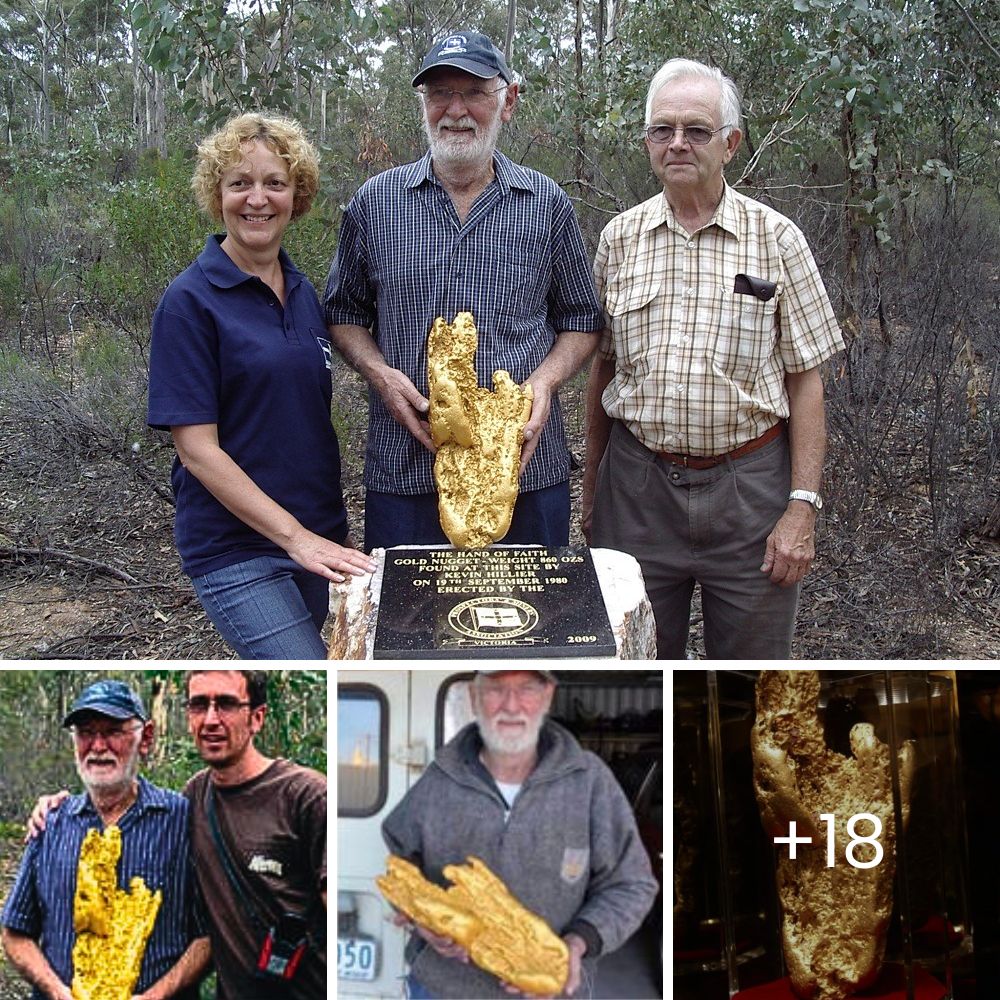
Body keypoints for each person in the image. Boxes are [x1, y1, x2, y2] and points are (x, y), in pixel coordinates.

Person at [583, 58, 846, 659]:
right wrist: (594, 488)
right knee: (636, 666)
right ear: (647, 141)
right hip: (638, 488)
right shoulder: (617, 239)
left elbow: (807, 383)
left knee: (751, 679)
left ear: (730, 142)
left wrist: (801, 508)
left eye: (696, 130)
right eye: (662, 129)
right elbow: (603, 371)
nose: (677, 143)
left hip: (749, 493)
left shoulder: (777, 240)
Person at [324, 30, 603, 550]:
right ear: (424, 104)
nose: (456, 110)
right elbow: (343, 313)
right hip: (407, 474)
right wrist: (380, 374)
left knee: (529, 629)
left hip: (524, 469)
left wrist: (543, 384)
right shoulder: (375, 204)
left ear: (509, 101)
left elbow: (582, 321)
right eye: (439, 94)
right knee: (410, 630)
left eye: (474, 92)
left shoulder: (546, 204)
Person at [147, 113, 376, 659]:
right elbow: (197, 451)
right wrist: (296, 537)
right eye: (239, 183)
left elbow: (300, 423)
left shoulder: (301, 292)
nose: (257, 199)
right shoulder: (190, 302)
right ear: (216, 193)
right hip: (239, 551)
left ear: (296, 196)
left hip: (317, 540)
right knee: (315, 684)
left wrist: (323, 536)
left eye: (275, 183)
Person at [26, 671, 328, 1000]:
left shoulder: (305, 796)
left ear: (256, 718)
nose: (211, 719)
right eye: (199, 705)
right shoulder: (194, 799)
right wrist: (56, 807)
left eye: (226, 704)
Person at [381, 669, 658, 999]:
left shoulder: (589, 782)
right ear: (474, 696)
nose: (511, 706)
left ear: (548, 695)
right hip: (443, 988)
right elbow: (400, 865)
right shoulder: (441, 778)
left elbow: (632, 884)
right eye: (496, 689)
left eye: (526, 688)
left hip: (549, 989)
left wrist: (577, 942)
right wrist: (419, 917)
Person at [2, 680, 210, 1000]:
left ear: (146, 738)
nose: (98, 747)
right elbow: (15, 931)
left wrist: (156, 995)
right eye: (85, 733)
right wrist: (57, 991)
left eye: (113, 732)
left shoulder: (182, 819)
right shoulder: (51, 823)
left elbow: (209, 935)